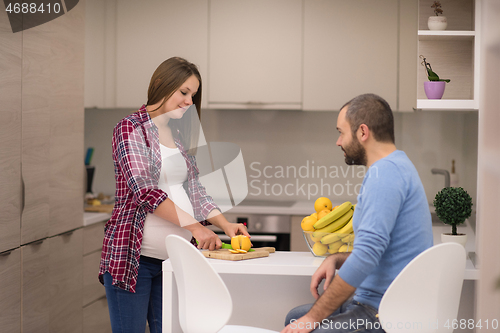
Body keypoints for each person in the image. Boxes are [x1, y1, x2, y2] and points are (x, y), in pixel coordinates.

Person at [99, 57, 250, 333]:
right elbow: (145, 190)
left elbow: (195, 190)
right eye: (184, 92)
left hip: (174, 262)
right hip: (134, 259)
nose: (189, 101)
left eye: (193, 94)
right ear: (160, 84)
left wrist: (225, 225)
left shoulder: (177, 135)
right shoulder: (130, 128)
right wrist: (195, 228)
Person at [282, 94, 433, 333]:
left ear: (363, 132)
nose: (338, 141)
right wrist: (336, 259)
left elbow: (367, 255)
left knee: (305, 324)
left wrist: (312, 318)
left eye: (341, 132)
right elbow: (379, 251)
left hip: (385, 312)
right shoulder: (395, 166)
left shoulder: (385, 174)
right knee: (294, 317)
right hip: (375, 302)